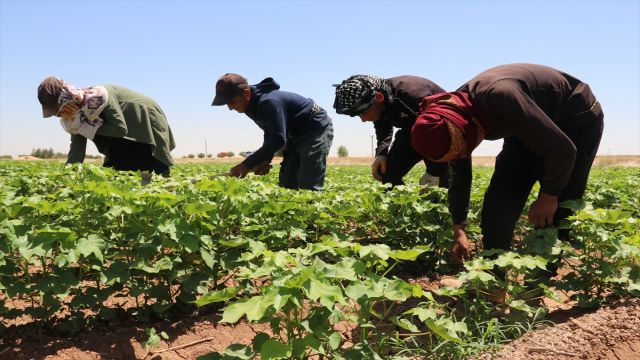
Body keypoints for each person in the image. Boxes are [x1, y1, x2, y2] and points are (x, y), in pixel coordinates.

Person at [410, 63, 604, 266]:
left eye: (460, 152)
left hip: (574, 120)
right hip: (523, 120)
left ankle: (539, 283)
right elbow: (460, 178)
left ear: (465, 134)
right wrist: (459, 228)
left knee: (556, 211)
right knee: (499, 204)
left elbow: (563, 149)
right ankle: (494, 277)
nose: (462, 156)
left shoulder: (500, 97)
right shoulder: (453, 118)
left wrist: (549, 196)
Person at [37, 76, 176, 184]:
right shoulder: (75, 118)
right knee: (117, 171)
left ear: (65, 99)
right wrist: (66, 178)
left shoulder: (99, 96)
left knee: (150, 165)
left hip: (142, 116)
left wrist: (85, 127)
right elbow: (76, 151)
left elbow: (120, 129)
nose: (58, 115)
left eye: (57, 110)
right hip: (119, 137)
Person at [211, 73, 333, 190]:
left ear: (246, 93)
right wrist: (265, 159)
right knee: (288, 180)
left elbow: (278, 139)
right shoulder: (248, 106)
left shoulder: (269, 102)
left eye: (232, 101)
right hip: (294, 132)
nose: (230, 107)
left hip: (315, 127)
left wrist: (246, 165)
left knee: (308, 179)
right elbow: (270, 131)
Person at [333, 75, 449, 187]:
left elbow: (435, 132)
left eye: (364, 112)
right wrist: (381, 154)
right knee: (388, 174)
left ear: (379, 97)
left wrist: (434, 172)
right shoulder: (379, 102)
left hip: (445, 131)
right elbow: (382, 125)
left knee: (443, 178)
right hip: (414, 131)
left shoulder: (411, 95)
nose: (363, 120)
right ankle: (400, 204)